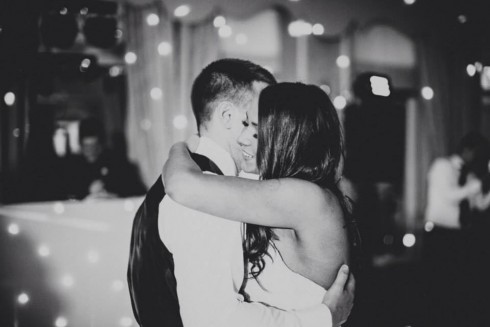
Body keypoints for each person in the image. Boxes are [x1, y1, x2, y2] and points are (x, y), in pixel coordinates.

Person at [127, 59, 354, 327]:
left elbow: (181, 184)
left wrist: (180, 147)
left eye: (257, 130)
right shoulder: (232, 192)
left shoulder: (302, 197)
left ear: (286, 138)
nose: (247, 137)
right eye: (247, 123)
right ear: (227, 116)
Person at [423, 132, 487, 326]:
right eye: (477, 153)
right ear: (467, 149)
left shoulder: (470, 175)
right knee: (437, 284)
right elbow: (450, 196)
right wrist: (474, 187)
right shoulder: (441, 166)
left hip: (459, 235)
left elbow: (479, 205)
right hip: (439, 234)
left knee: (456, 284)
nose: (477, 158)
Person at [64, 117, 146, 199]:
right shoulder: (75, 166)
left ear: (101, 145)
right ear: (81, 146)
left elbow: (137, 192)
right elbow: (68, 194)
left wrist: (113, 194)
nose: (91, 152)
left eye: (94, 146)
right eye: (86, 147)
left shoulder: (116, 161)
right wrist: (87, 191)